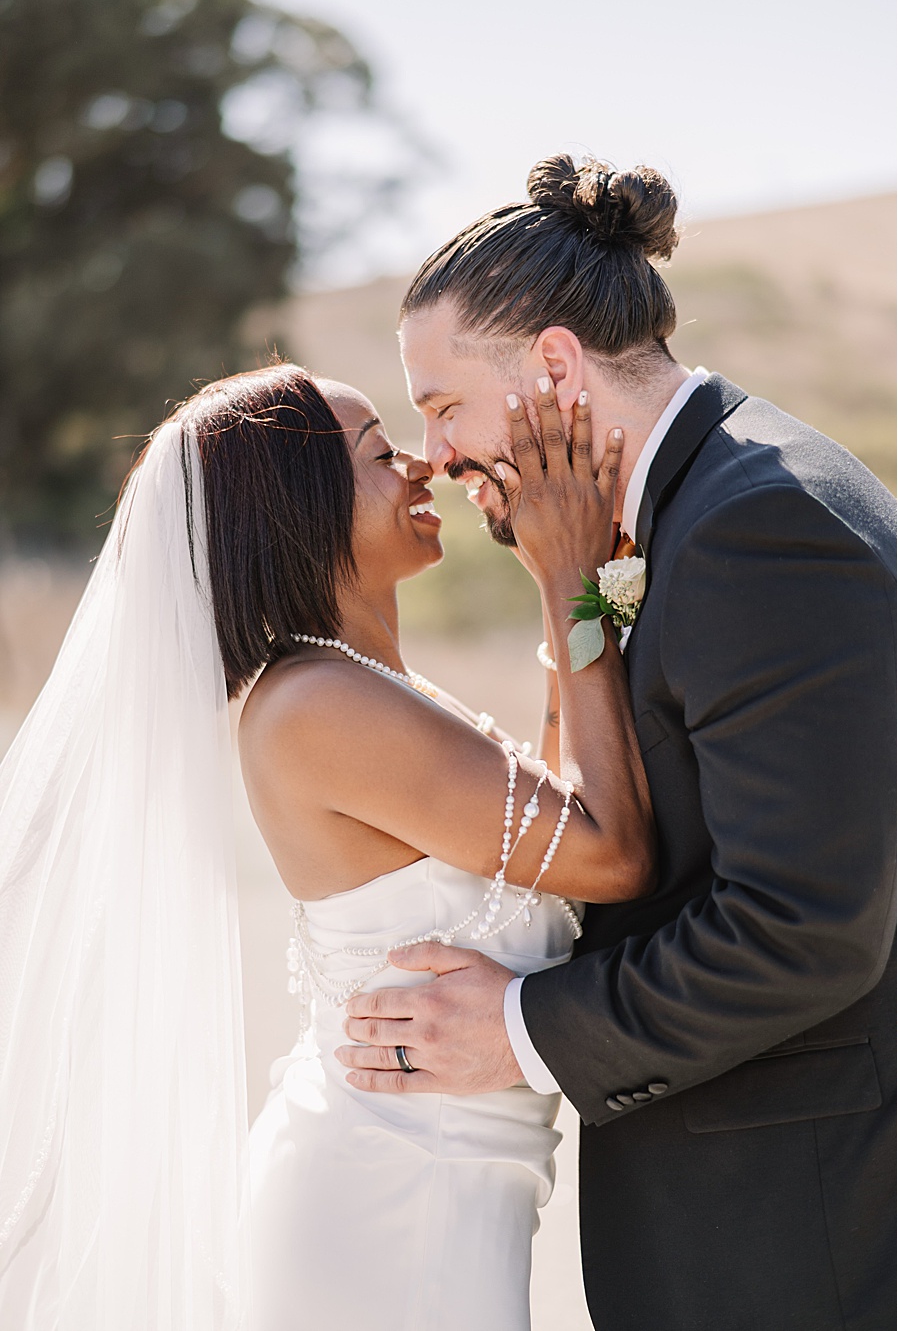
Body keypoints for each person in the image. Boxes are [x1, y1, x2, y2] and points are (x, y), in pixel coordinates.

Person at [345, 153, 898, 1329]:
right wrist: (574, 586)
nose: (436, 454)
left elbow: (804, 928)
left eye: (445, 406)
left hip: (783, 1229)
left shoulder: (761, 527)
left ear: (553, 365)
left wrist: (514, 1029)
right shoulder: (698, 500)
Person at [0, 361, 652, 1330]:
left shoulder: (371, 686)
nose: (424, 469)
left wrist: (565, 600)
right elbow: (610, 852)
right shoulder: (316, 706)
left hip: (445, 1194)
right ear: (298, 507)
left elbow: (550, 834)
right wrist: (573, 582)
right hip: (386, 1212)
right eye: (382, 455)